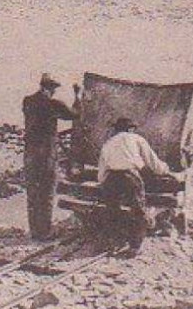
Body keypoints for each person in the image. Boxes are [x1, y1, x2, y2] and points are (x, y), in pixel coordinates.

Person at [96, 116, 179, 256]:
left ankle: (114, 242)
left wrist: (103, 183)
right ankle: (135, 246)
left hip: (111, 177)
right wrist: (166, 171)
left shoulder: (108, 143)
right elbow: (153, 162)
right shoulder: (136, 139)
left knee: (112, 210)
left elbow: (102, 167)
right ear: (130, 129)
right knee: (137, 210)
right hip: (129, 176)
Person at [21, 72, 79, 242]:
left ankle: (34, 231)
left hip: (30, 152)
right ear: (52, 88)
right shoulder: (53, 104)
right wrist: (78, 95)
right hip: (46, 153)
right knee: (46, 192)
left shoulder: (28, 101)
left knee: (33, 192)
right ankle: (45, 232)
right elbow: (75, 114)